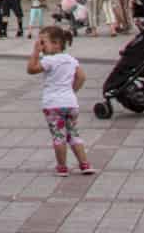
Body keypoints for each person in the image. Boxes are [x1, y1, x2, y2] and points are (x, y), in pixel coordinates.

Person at [27, 25, 94, 177]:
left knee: (59, 136)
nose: (41, 46)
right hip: (71, 103)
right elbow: (82, 77)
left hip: (53, 105)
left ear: (56, 43)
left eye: (43, 42)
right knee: (73, 134)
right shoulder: (71, 60)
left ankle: (62, 167)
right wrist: (72, 91)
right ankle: (85, 164)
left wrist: (35, 52)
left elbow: (31, 69)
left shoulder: (50, 60)